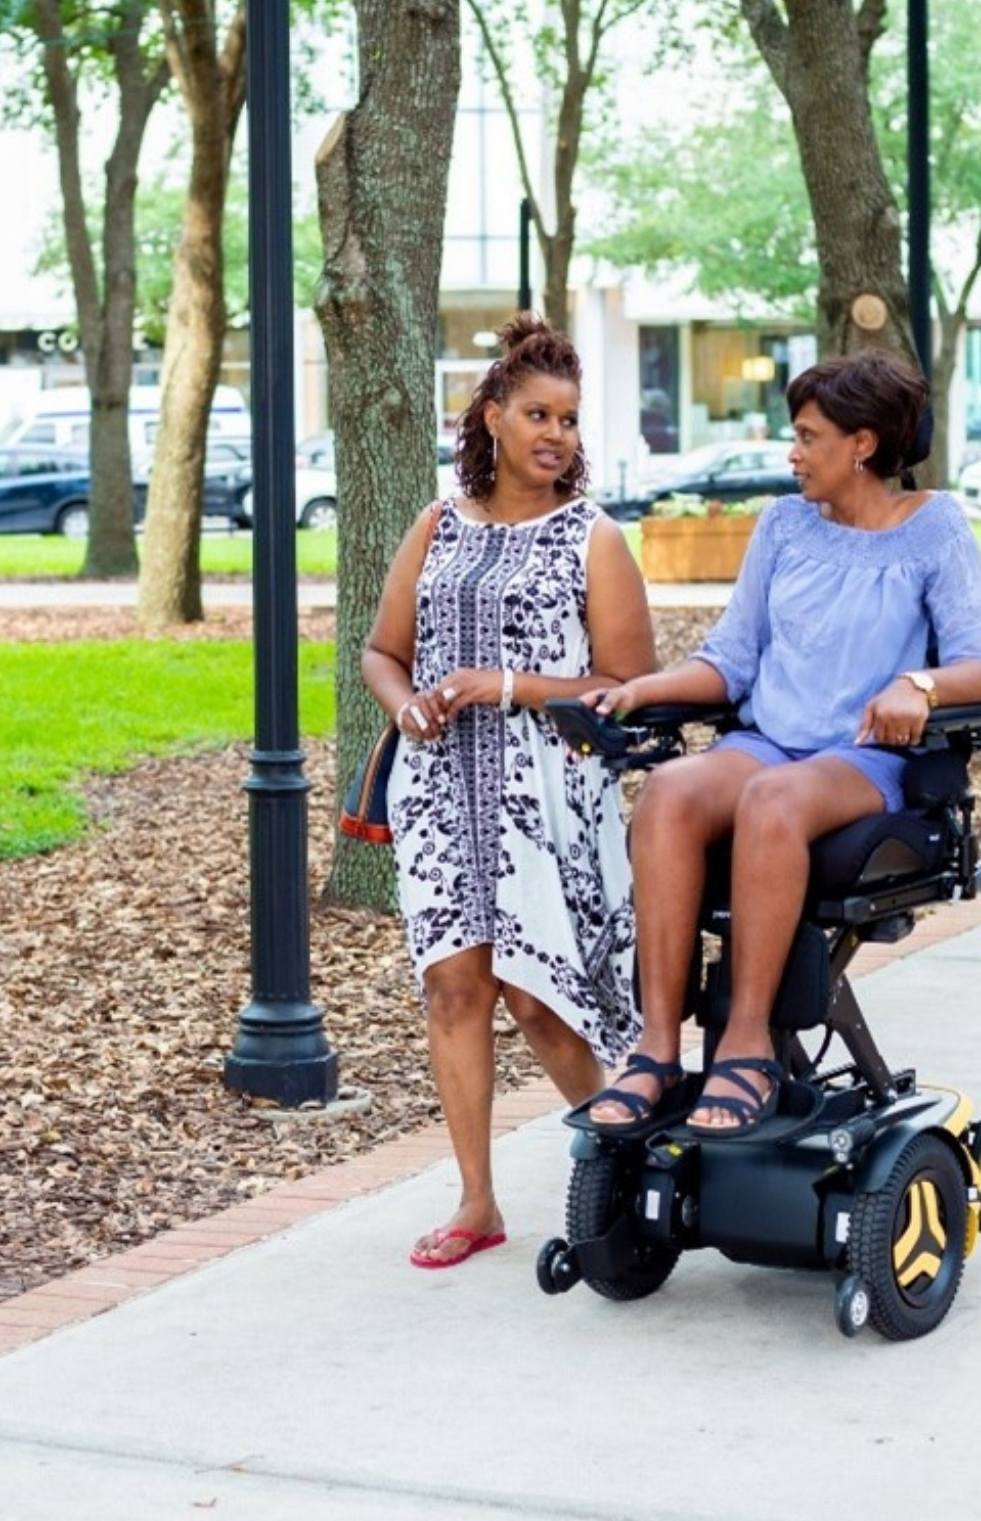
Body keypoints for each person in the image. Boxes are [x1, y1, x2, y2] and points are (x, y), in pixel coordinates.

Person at [585, 351, 981, 1136]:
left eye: (809, 437)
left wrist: (919, 687)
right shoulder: (783, 525)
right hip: (770, 740)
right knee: (674, 789)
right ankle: (654, 1049)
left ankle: (746, 1043)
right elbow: (731, 659)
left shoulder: (934, 529)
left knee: (771, 800)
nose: (792, 453)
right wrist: (648, 688)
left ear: (864, 444)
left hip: (864, 759)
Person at [362, 313, 656, 1268]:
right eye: (538, 414)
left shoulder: (594, 538)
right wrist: (406, 705)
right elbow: (381, 652)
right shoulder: (437, 523)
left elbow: (628, 686)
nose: (557, 436)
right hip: (441, 788)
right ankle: (477, 1202)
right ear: (490, 417)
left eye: (569, 420)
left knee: (537, 999)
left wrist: (506, 685)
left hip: (551, 791)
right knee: (454, 989)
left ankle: (634, 1162)